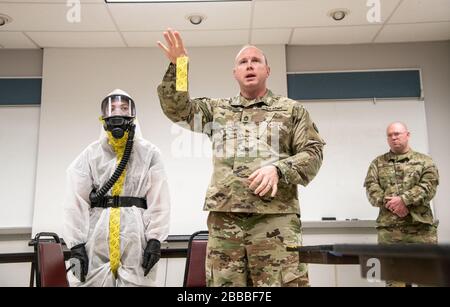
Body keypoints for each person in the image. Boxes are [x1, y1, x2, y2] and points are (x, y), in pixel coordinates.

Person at [157, 29, 325, 287]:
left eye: (256, 61)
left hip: (274, 221)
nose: (249, 65)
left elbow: (313, 153)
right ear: (235, 73)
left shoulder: (291, 110)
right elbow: (178, 110)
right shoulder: (216, 110)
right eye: (242, 62)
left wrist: (279, 170)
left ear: (267, 70)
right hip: (226, 223)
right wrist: (179, 66)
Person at [63, 89, 171, 286]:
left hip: (136, 239)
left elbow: (159, 199)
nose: (118, 113)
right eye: (112, 109)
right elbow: (75, 201)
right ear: (103, 117)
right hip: (97, 238)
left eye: (123, 108)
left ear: (133, 116)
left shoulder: (149, 153)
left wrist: (155, 240)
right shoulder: (91, 153)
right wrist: (76, 245)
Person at [364, 122, 439, 287]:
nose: (393, 137)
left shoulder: (425, 162)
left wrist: (405, 200)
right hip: (391, 233)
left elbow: (429, 187)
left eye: (397, 133)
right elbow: (371, 190)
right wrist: (393, 203)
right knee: (395, 281)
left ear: (408, 135)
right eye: (390, 135)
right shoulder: (377, 164)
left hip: (421, 231)